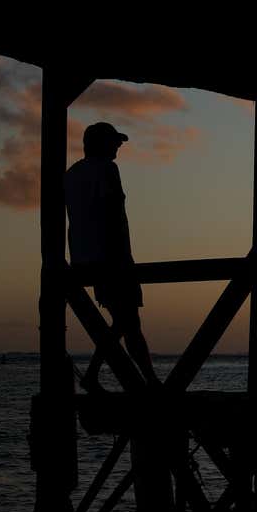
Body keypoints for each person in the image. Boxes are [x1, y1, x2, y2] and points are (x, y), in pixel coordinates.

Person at [66, 122, 160, 390]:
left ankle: (148, 380)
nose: (118, 146)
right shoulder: (108, 169)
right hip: (112, 257)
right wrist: (123, 259)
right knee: (127, 321)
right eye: (114, 141)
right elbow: (113, 213)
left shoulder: (71, 174)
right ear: (101, 143)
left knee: (127, 322)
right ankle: (97, 375)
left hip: (83, 257)